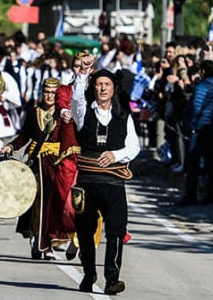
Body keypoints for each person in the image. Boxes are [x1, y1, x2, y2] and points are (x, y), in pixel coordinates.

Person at [70, 68, 141, 295]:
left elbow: (134, 147)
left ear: (113, 89)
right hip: (87, 181)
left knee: (116, 230)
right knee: (85, 229)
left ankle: (112, 279)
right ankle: (89, 273)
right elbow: (76, 100)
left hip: (113, 182)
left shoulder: (123, 116)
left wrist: (115, 155)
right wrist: (81, 75)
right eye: (99, 84)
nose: (102, 88)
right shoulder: (84, 112)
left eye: (107, 85)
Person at [1, 77, 78, 260]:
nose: (49, 96)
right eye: (46, 92)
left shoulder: (64, 114)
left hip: (57, 164)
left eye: (53, 93)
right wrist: (11, 146)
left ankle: (50, 242)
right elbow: (24, 136)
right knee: (37, 203)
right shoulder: (33, 112)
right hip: (37, 163)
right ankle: (37, 239)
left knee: (55, 203)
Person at [177, 59, 213, 205]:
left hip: (200, 128)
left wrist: (192, 124)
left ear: (204, 71)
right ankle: (211, 195)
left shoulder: (204, 86)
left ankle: (191, 195)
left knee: (192, 163)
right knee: (211, 163)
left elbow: (196, 107)